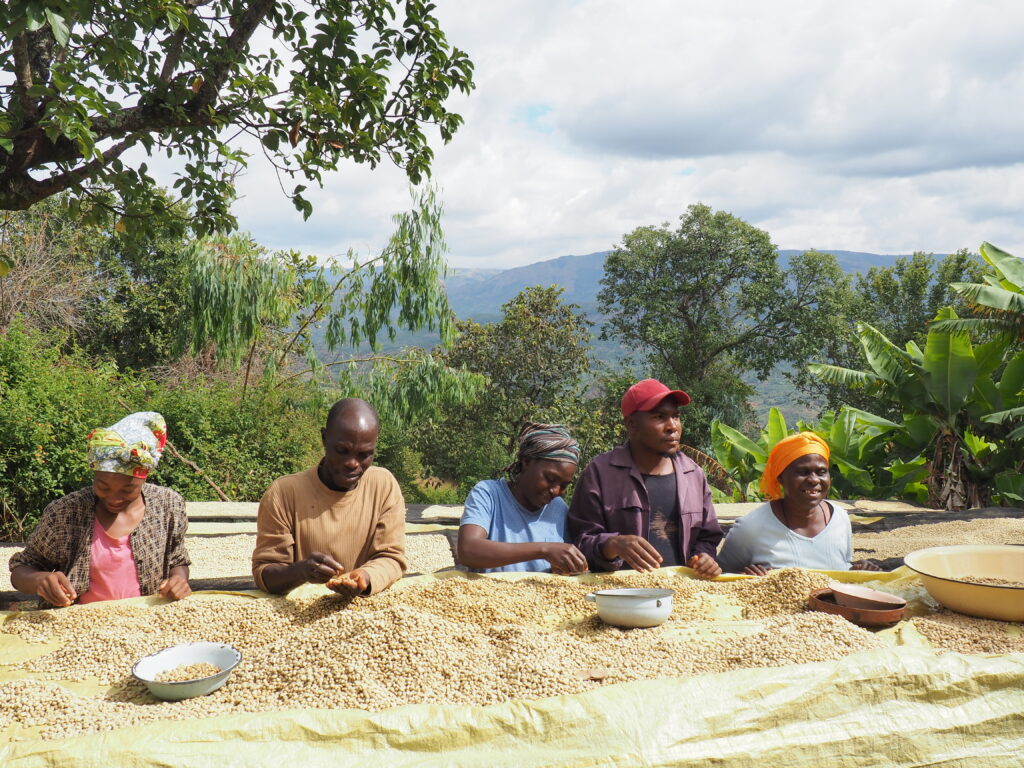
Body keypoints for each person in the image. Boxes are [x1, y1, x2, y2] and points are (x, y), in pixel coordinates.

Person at [9, 412, 191, 607]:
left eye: (128, 489)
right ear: (94, 475)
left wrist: (179, 579)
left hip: (146, 625)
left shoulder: (168, 505)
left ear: (144, 478)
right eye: (103, 487)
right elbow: (22, 570)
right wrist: (39, 581)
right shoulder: (65, 513)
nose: (114, 497)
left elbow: (177, 560)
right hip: (76, 627)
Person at [568, 379, 723, 578]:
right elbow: (579, 541)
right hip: (622, 595)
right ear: (632, 424)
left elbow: (708, 537)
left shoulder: (693, 474)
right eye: (660, 417)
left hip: (683, 594)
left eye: (676, 417)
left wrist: (704, 557)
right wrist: (613, 544)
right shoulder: (600, 473)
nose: (672, 427)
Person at [252, 397, 406, 597]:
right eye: (342, 451)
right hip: (298, 612)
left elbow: (392, 558)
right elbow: (265, 573)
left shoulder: (383, 485)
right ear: (325, 438)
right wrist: (301, 571)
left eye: (364, 454)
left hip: (365, 608)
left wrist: (365, 577)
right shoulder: (283, 493)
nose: (352, 463)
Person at [716, 432, 881, 574]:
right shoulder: (751, 527)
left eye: (821, 472)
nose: (814, 480)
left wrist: (857, 570)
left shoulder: (840, 518)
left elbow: (843, 566)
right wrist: (745, 579)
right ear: (780, 477)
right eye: (802, 472)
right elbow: (720, 577)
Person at [457, 423, 588, 574]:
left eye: (564, 485)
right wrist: (543, 550)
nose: (555, 491)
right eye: (550, 478)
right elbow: (468, 550)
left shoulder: (559, 508)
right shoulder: (489, 494)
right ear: (527, 462)